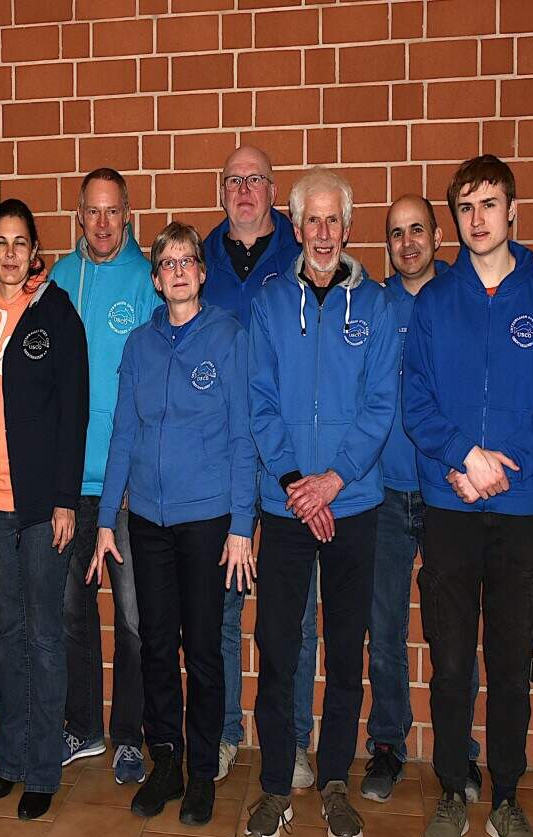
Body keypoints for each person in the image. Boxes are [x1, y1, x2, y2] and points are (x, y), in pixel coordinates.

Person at [403, 155, 533, 837]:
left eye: (489, 204)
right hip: (448, 507)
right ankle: (453, 789)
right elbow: (416, 402)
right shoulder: (433, 303)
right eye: (466, 207)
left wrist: (502, 467)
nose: (477, 219)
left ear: (513, 212)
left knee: (508, 665)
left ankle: (506, 798)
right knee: (450, 663)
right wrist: (462, 458)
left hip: (515, 510)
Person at [241, 168, 398, 837]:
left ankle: (334, 780)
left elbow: (381, 407)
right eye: (313, 220)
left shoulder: (378, 308)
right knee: (278, 648)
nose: (324, 232)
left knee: (344, 648)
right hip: (286, 508)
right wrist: (296, 484)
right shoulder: (270, 303)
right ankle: (277, 785)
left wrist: (332, 482)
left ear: (348, 228)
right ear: (297, 227)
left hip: (353, 505)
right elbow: (259, 402)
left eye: (335, 220)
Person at [88, 222, 255, 826]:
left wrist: (242, 524)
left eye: (188, 261)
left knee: (204, 648)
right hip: (147, 522)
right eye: (168, 263)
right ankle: (167, 761)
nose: (179, 271)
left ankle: (203, 770)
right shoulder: (140, 345)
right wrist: (106, 519)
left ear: (202, 273)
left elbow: (244, 437)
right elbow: (123, 435)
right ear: (156, 280)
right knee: (155, 644)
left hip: (209, 520)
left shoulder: (229, 337)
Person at [0, 199, 89, 820]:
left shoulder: (56, 314)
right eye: (0, 242)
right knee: (5, 633)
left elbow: (74, 412)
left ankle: (42, 769)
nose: (10, 253)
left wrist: (65, 499)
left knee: (44, 635)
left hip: (41, 510)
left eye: (20, 242)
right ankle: (9, 761)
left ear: (35, 251)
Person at [200, 145, 318, 786]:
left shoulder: (302, 259)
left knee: (293, 612)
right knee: (221, 609)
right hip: (222, 461)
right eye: (233, 180)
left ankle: (292, 740)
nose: (244, 190)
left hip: (288, 460)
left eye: (255, 180)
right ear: (221, 192)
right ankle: (224, 733)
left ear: (274, 191)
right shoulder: (200, 260)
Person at [362, 196, 483, 803]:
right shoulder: (372, 306)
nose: (407, 242)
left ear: (439, 236)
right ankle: (387, 745)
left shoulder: (463, 299)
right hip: (383, 493)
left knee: (453, 632)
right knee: (383, 627)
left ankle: (459, 753)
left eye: (417, 230)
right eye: (395, 233)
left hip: (447, 493)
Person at [49, 168, 159, 785]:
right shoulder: (60, 278)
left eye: (112, 211)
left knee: (135, 619)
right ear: (79, 215)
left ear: (128, 214)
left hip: (127, 487)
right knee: (72, 610)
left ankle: (128, 737)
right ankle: (84, 726)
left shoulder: (146, 281)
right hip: (72, 485)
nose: (102, 222)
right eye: (92, 211)